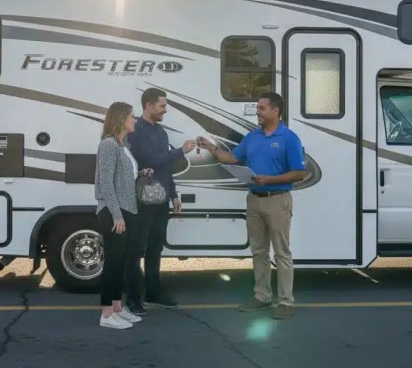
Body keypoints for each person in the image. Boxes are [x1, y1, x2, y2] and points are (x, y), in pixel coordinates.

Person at [195, 92, 306, 320]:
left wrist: (270, 180)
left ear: (276, 111)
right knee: (259, 251)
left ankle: (285, 301)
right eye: (258, 108)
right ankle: (262, 297)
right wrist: (212, 148)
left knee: (282, 253)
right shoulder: (252, 136)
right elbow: (235, 159)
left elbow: (299, 173)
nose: (258, 111)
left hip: (278, 200)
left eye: (262, 108)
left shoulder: (289, 138)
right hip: (254, 200)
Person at [125, 88, 196, 314]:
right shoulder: (136, 130)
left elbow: (164, 167)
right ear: (148, 105)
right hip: (143, 200)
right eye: (162, 106)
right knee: (136, 249)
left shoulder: (161, 131)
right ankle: (134, 299)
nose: (165, 110)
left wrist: (173, 194)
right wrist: (180, 151)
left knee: (156, 247)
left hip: (161, 199)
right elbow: (149, 159)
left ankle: (154, 293)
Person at [94, 101, 144, 330]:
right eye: (132, 116)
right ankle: (106, 315)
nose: (135, 120)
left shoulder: (124, 145)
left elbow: (123, 178)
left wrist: (142, 172)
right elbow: (106, 184)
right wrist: (116, 215)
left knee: (122, 263)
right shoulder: (108, 145)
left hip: (128, 210)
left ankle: (117, 308)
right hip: (115, 212)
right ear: (121, 118)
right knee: (112, 265)